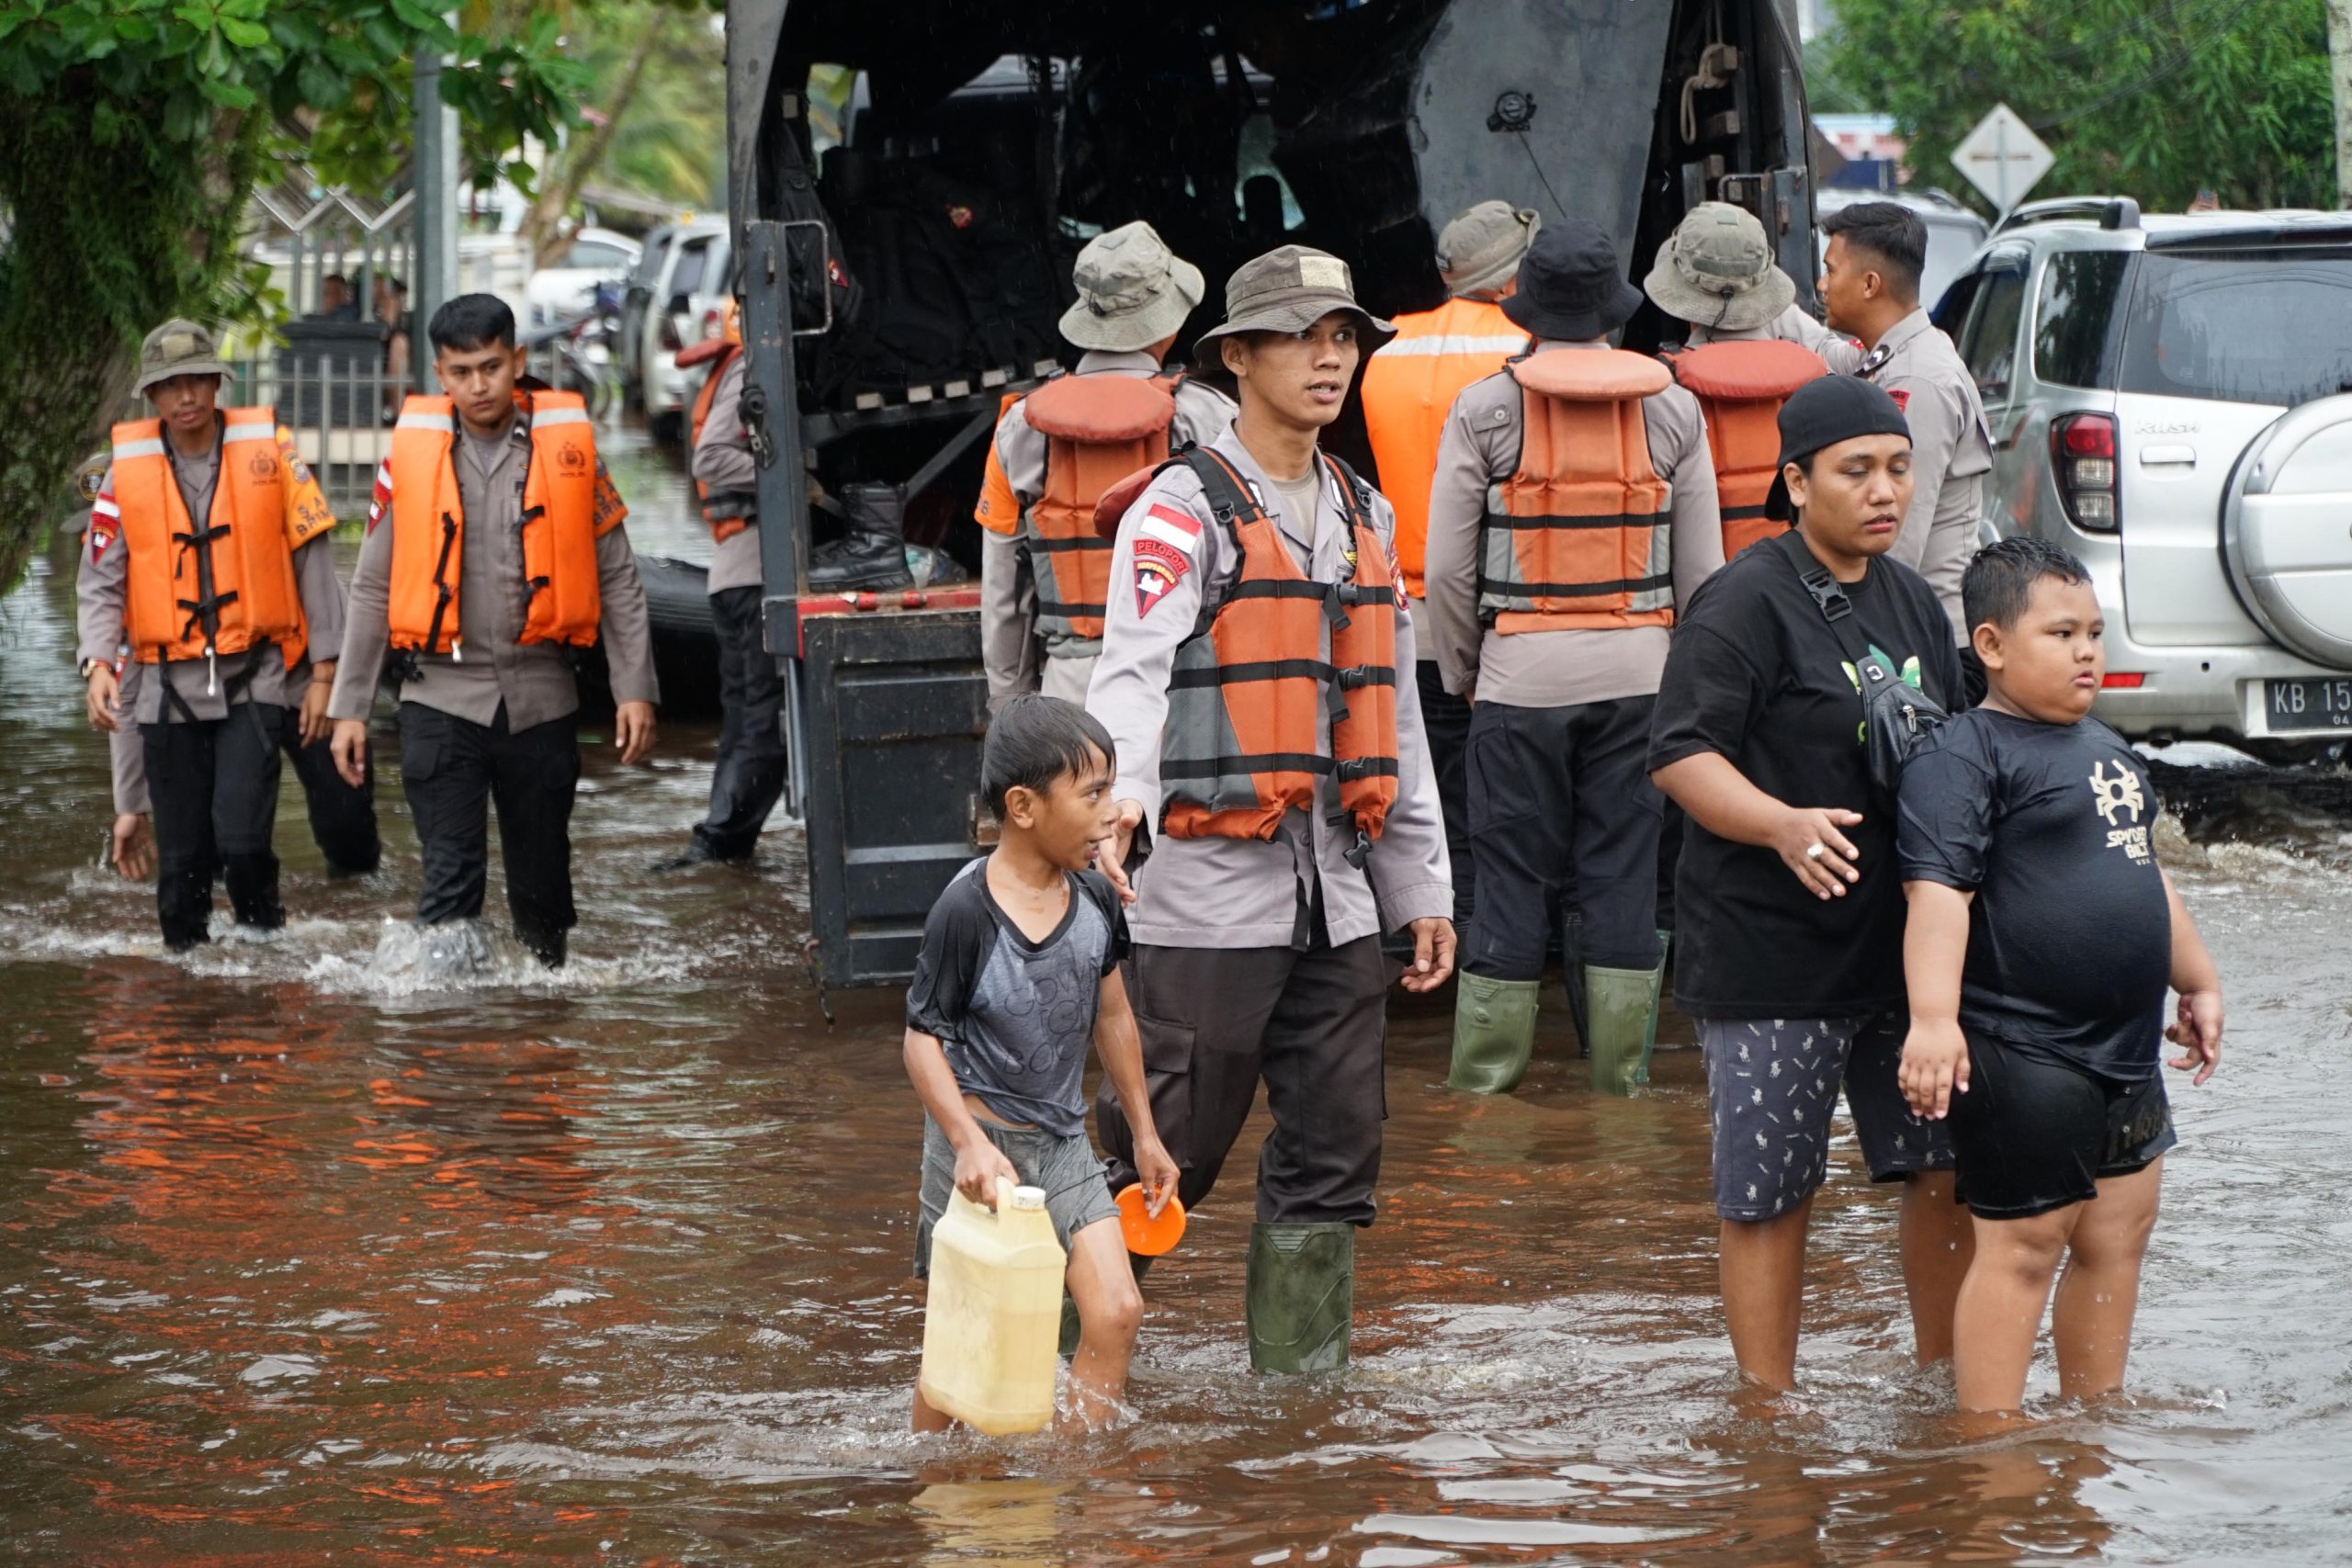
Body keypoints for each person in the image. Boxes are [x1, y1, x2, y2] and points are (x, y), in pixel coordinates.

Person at [1087, 246, 1456, 1373]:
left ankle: (1299, 1413)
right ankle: (1059, 1356)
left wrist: (1423, 886)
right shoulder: (1177, 509)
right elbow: (1130, 674)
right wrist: (1124, 802)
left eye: (1343, 338)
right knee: (1171, 1150)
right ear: (1236, 358)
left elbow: (1396, 718)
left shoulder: (1365, 513)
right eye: (1303, 337)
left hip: (1338, 897)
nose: (1329, 359)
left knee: (1339, 1144)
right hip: (1203, 893)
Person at [1647, 375, 1974, 1393]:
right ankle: (1768, 1412)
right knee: (1769, 1191)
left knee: (1942, 1171)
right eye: (1855, 471)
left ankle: (1940, 1380)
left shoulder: (1912, 598)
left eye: (1897, 468)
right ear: (1793, 482)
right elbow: (1678, 754)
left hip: (1899, 954)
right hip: (1768, 955)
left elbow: (1959, 751)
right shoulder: (1742, 602)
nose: (1884, 490)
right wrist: (1779, 824)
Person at [1894, 538, 2223, 1415]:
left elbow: (2143, 870)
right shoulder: (1963, 754)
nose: (2087, 651)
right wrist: (1933, 1020)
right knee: (2026, 1245)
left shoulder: (2107, 747)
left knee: (2118, 1236)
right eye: (2061, 633)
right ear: (1993, 645)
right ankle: (1987, 1443)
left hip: (2125, 1048)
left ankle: (2092, 1424)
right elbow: (1938, 894)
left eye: (2095, 632)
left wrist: (2196, 978)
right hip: (2020, 1045)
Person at [1424, 219, 1723, 1097]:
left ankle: (1485, 1096)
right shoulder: (1673, 407)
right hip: (1644, 682)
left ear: (1526, 310)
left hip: (1518, 682)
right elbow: (1703, 575)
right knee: (1624, 878)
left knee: (1512, 884)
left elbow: (1446, 567)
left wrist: (1467, 671)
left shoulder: (1484, 407)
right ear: (1614, 312)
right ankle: (1619, 1092)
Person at [327, 293, 658, 968]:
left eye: (491, 367)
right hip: (438, 698)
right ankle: (452, 1058)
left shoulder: (570, 452)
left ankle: (539, 1051)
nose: (478, 385)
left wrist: (635, 688)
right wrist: (349, 708)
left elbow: (618, 576)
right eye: (460, 372)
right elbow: (371, 585)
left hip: (541, 700)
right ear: (439, 375)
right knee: (449, 894)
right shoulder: (410, 459)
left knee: (542, 896)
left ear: (518, 361)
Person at [903, 695, 1180, 1432]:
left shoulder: (1094, 896)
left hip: (1061, 1145)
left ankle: (1078, 1487)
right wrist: (966, 1140)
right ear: (1023, 806)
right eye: (1092, 793)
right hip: (981, 1148)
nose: (1113, 812)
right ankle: (930, 1489)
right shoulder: (966, 912)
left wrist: (1145, 1136)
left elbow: (1113, 1014)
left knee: (1118, 1311)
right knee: (964, 1343)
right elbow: (920, 1039)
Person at [77, 320, 346, 949]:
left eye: (198, 378)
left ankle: (263, 953)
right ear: (152, 396)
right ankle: (189, 1001)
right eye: (170, 385)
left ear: (218, 383)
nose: (186, 396)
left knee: (244, 841)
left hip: (254, 677)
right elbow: (99, 582)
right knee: (181, 873)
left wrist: (326, 675)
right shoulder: (124, 475)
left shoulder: (271, 454)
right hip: (166, 686)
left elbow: (315, 561)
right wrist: (97, 663)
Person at [1361, 198, 1539, 925]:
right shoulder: (1529, 351)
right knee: (1510, 788)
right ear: (1512, 275)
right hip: (1506, 611)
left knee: (1431, 784)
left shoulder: (1385, 350)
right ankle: (1515, 932)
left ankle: (1445, 924)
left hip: (1411, 610)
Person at [973, 221, 1233, 711]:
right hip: (1186, 686)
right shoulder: (1212, 417)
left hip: (1069, 693)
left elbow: (1003, 593)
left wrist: (1009, 706)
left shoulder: (1019, 427)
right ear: (1169, 322)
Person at [1818, 202, 1992, 657]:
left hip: (1926, 641)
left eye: (1830, 271)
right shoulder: (1895, 353)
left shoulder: (1917, 381)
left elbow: (1895, 540)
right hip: (1909, 627)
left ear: (1870, 284)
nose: (1821, 285)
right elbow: (1822, 351)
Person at [1645, 200, 1860, 561]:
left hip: (1707, 602)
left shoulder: (1660, 392)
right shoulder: (1821, 385)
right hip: (1806, 600)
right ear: (1764, 282)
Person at [655, 300, 788, 869]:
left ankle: (722, 840)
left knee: (745, 716)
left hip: (736, 574)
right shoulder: (749, 367)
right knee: (760, 718)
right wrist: (788, 475)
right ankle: (721, 839)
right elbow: (710, 457)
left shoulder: (741, 365)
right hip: (750, 574)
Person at [106, 658, 379, 882]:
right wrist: (131, 805)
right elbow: (125, 695)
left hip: (306, 684)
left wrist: (328, 679)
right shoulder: (146, 604)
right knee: (216, 848)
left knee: (348, 825)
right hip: (216, 704)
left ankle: (354, 904)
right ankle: (235, 927)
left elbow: (336, 610)